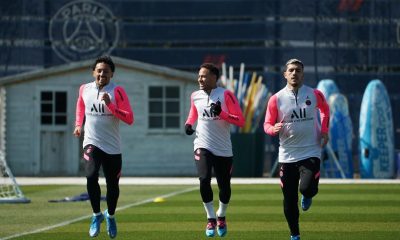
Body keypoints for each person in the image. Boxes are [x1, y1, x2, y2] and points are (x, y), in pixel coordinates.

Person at [263, 59, 330, 240]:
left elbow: (325, 110)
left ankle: (307, 195)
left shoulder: (314, 94)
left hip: (311, 151)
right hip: (287, 155)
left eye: (298, 70)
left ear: (302, 74)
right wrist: (272, 129)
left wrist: (324, 130)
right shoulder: (275, 99)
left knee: (307, 188)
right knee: (289, 198)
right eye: (291, 70)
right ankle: (295, 234)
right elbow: (267, 124)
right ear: (285, 74)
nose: (294, 73)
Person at [73, 56, 134, 238]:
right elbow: (80, 105)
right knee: (91, 176)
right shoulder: (85, 88)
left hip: (112, 147)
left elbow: (129, 118)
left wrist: (110, 105)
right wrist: (78, 124)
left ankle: (111, 215)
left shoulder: (118, 91)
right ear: (94, 72)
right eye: (99, 71)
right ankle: (96, 215)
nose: (102, 74)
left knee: (112, 186)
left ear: (111, 74)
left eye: (106, 71)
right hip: (91, 142)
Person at [185, 63, 245, 237]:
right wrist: (189, 124)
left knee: (224, 187)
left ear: (214, 77)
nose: (200, 79)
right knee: (204, 179)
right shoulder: (195, 95)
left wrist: (223, 114)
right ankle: (210, 218)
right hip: (202, 144)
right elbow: (193, 113)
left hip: (223, 148)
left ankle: (221, 215)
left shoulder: (226, 95)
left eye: (204, 76)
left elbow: (240, 120)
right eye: (199, 76)